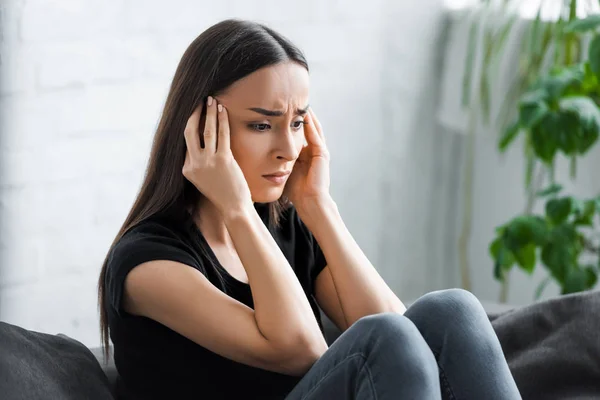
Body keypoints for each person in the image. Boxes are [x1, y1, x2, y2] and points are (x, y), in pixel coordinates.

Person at [97, 18, 522, 400]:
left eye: (297, 123)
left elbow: (410, 340)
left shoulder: (286, 226)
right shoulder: (146, 265)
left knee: (452, 310)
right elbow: (301, 350)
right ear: (200, 131)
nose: (288, 149)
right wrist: (238, 210)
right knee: (382, 337)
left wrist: (319, 207)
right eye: (261, 125)